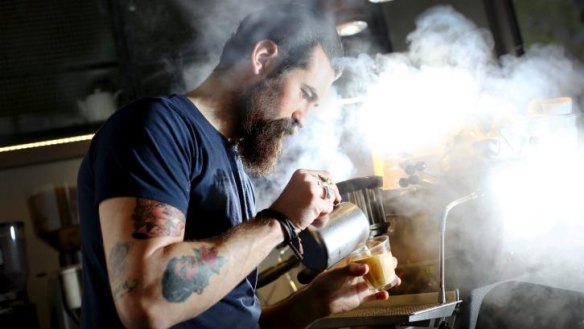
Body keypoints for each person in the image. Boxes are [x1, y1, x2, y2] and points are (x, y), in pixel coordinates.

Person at [77, 3, 399, 329]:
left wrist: (313, 303)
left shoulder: (234, 161)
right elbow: (146, 304)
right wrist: (280, 221)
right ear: (262, 58)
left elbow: (230, 319)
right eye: (304, 93)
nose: (304, 117)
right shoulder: (155, 128)